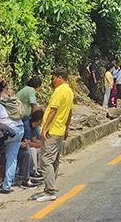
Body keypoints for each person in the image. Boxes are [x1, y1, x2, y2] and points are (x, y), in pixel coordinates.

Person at [31, 67, 74, 203]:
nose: (52, 80)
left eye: (53, 78)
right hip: (60, 130)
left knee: (45, 161)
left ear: (59, 77)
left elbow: (53, 111)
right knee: (53, 161)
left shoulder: (59, 91)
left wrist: (43, 129)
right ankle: (49, 188)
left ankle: (50, 191)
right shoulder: (69, 91)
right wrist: (66, 129)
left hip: (53, 130)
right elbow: (69, 112)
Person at [17, 109, 44, 188]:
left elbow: (34, 139)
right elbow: (29, 142)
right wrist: (41, 145)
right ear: (39, 120)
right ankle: (33, 172)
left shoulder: (33, 126)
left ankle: (37, 170)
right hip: (22, 145)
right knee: (32, 150)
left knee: (39, 150)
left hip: (26, 144)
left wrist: (43, 145)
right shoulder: (27, 125)